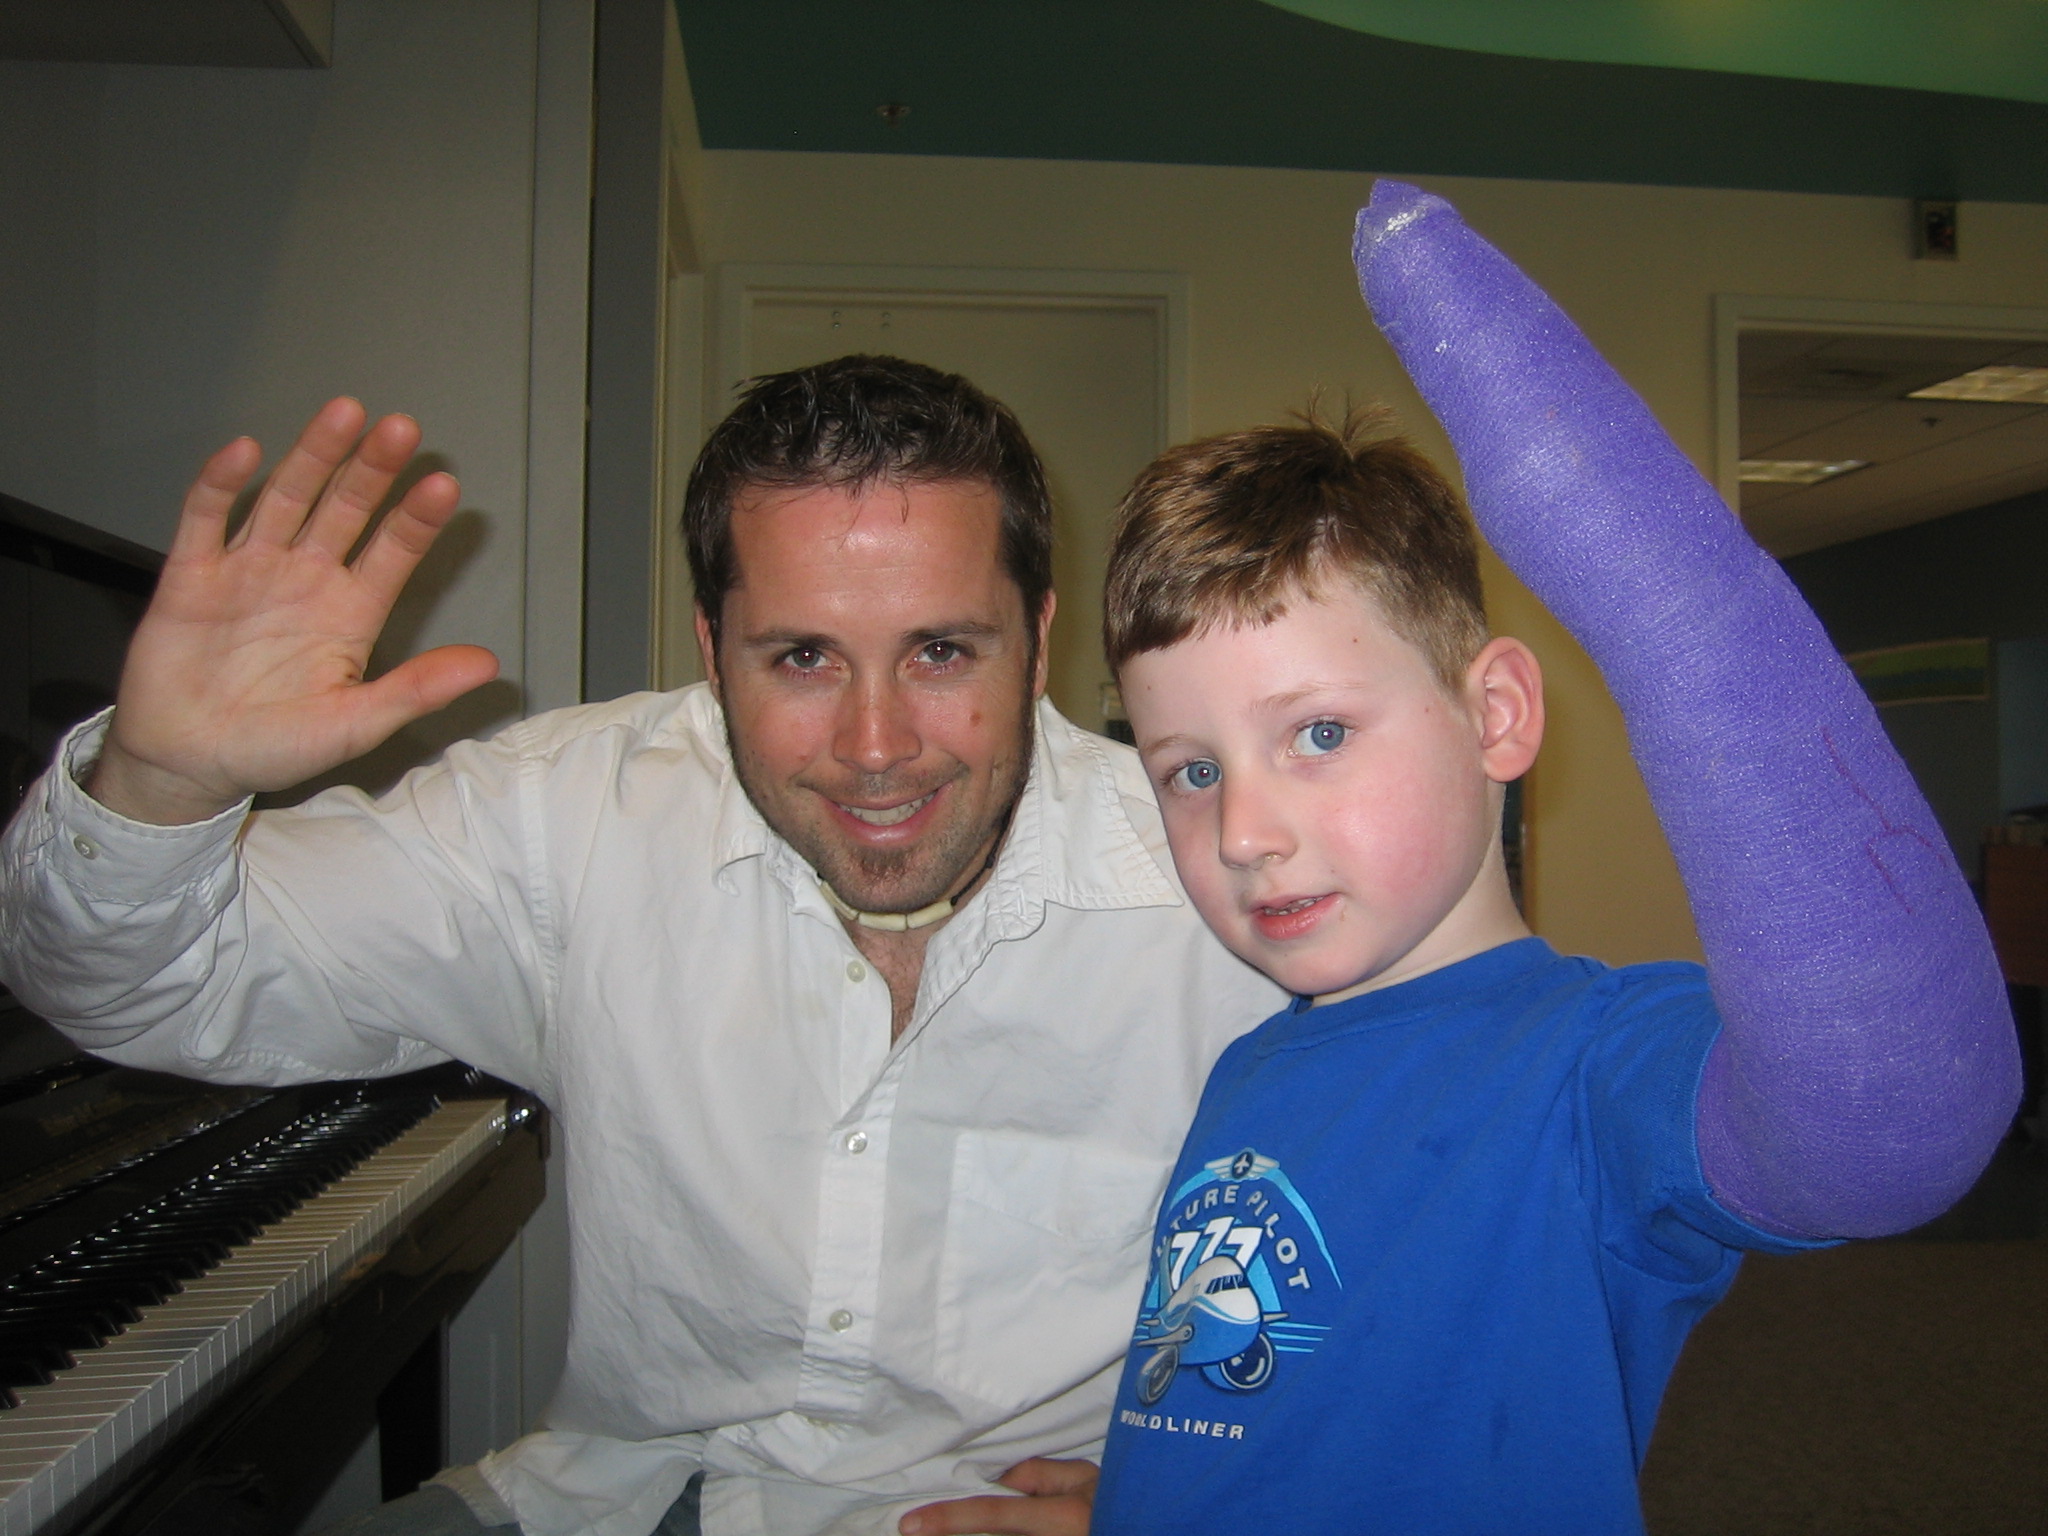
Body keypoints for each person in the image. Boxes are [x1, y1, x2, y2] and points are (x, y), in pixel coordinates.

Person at [0, 357, 1285, 1536]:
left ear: (1038, 640)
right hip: (616, 1502)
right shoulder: (565, 817)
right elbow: (138, 988)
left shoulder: (1225, 891)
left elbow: (1433, 1289)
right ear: (709, 653)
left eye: (940, 650)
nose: (878, 744)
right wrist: (158, 784)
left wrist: (1225, 1498)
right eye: (801, 658)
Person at [1083, 182, 2019, 1534]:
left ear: (1497, 715)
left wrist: (1660, 587)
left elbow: (1890, 1128)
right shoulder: (1254, 1063)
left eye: (1321, 732)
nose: (1242, 829)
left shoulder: (1592, 1066)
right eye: (1190, 769)